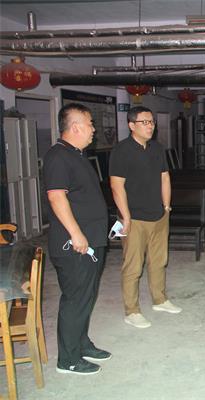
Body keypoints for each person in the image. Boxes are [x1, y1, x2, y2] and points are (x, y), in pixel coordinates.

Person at [44, 103, 111, 375]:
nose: (94, 129)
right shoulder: (58, 156)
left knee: (86, 296)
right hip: (75, 244)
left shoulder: (76, 155)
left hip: (91, 240)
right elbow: (56, 197)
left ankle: (81, 344)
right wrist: (76, 234)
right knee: (75, 299)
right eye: (90, 123)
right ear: (75, 127)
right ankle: (68, 360)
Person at [110, 106, 181, 329]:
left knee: (159, 260)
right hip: (135, 218)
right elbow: (116, 186)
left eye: (152, 122)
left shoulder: (156, 148)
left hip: (159, 215)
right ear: (132, 125)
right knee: (133, 266)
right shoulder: (121, 151)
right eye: (145, 122)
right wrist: (126, 217)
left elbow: (165, 178)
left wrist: (166, 206)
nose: (150, 126)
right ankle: (131, 311)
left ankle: (159, 299)